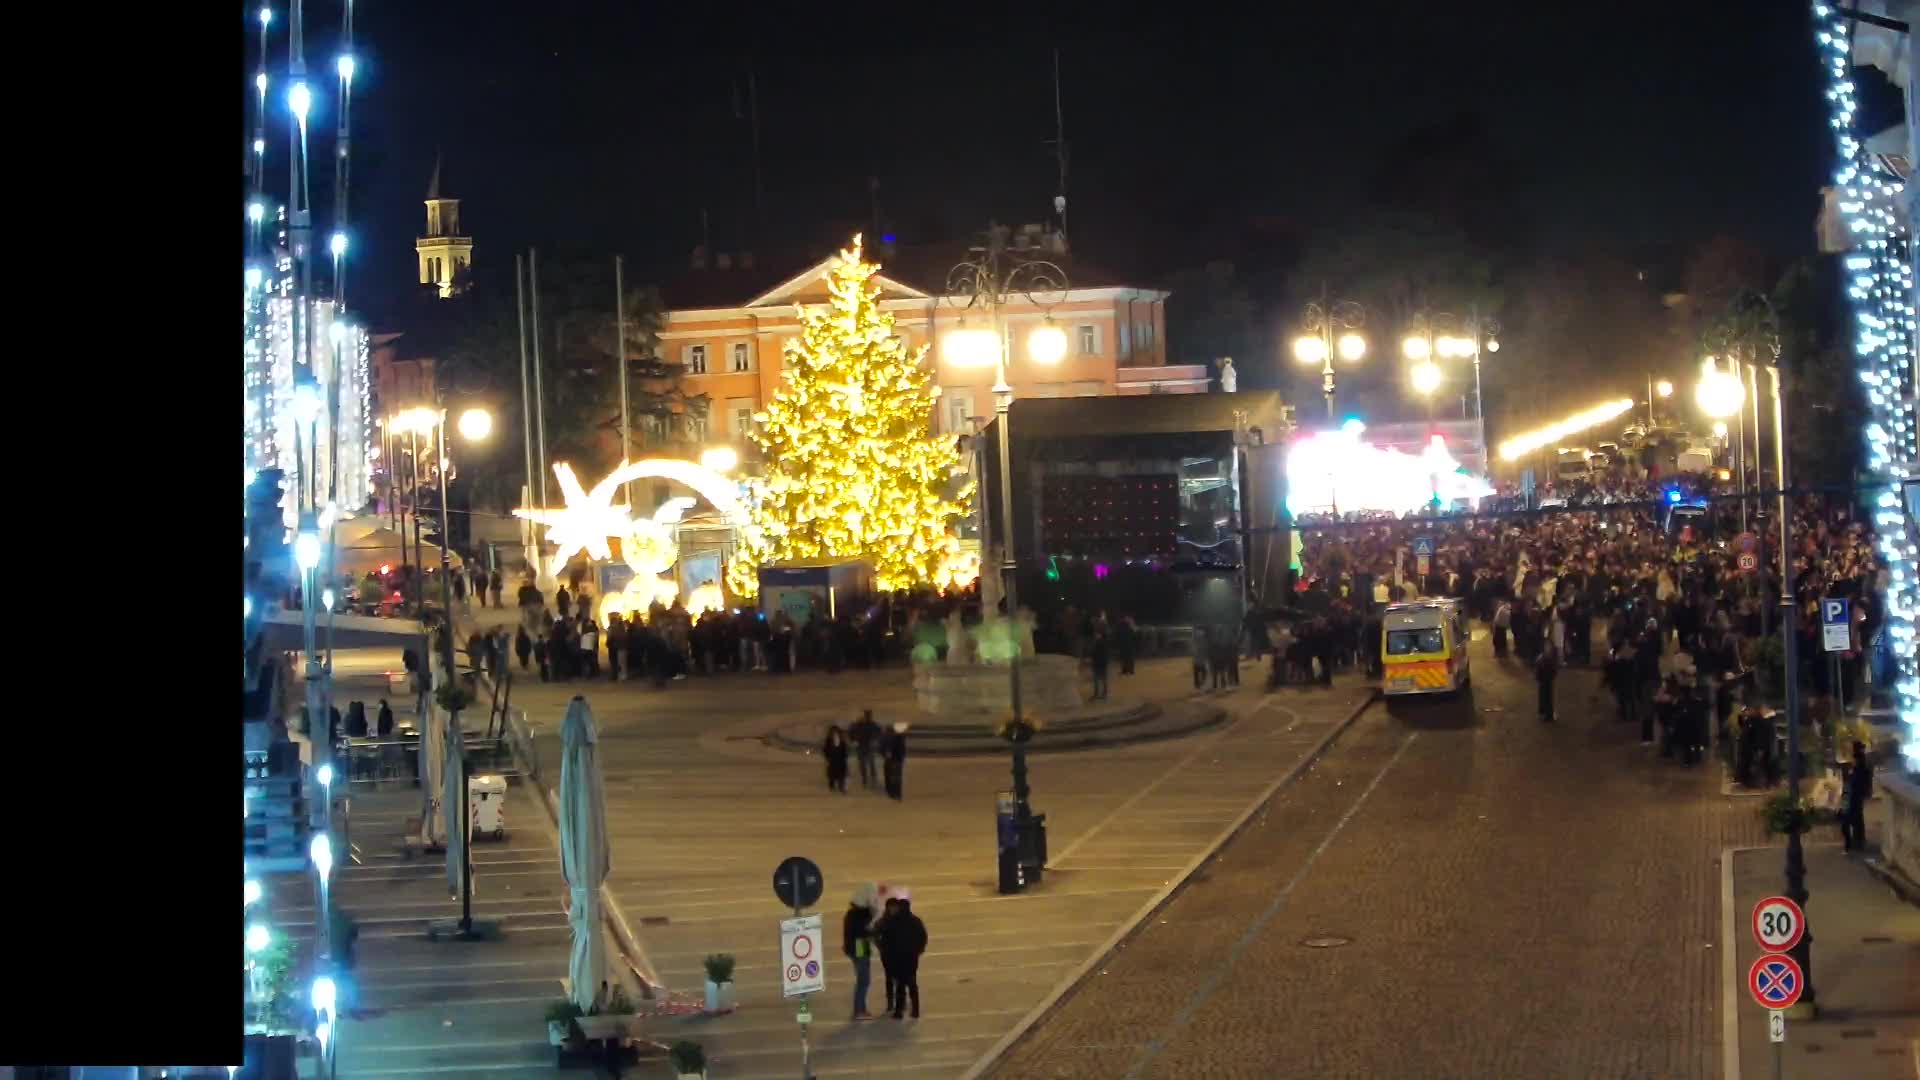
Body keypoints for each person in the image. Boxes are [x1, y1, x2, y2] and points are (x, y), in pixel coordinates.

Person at [878, 896, 927, 1019]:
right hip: (911, 959)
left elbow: (886, 940)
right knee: (912, 984)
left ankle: (898, 1012)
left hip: (898, 959)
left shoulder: (894, 922)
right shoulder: (916, 921)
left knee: (900, 986)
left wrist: (886, 953)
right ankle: (915, 1010)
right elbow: (923, 937)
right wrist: (919, 950)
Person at [843, 883, 878, 1020]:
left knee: (863, 979)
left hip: (855, 947)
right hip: (860, 947)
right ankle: (859, 1010)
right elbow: (865, 933)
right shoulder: (861, 915)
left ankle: (861, 1009)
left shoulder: (852, 913)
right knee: (864, 979)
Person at [1840, 741, 1873, 853]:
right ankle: (1855, 842)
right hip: (1852, 799)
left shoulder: (1859, 770)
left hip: (1852, 799)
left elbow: (1853, 786)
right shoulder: (1859, 768)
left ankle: (1851, 845)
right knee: (1856, 821)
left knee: (1848, 822)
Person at [850, 709, 881, 789]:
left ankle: (870, 780)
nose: (868, 717)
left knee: (869, 763)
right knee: (866, 764)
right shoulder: (861, 724)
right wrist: (853, 739)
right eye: (867, 715)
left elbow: (879, 733)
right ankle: (867, 780)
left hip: (866, 746)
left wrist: (875, 740)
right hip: (863, 746)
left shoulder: (870, 724)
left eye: (868, 715)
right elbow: (852, 732)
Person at [1534, 628, 1560, 723]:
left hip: (1544, 673)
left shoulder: (1546, 642)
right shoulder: (1548, 645)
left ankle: (1543, 712)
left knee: (1543, 693)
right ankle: (1547, 714)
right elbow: (1549, 658)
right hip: (1546, 673)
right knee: (1547, 694)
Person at [883, 723, 907, 800]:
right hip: (897, 759)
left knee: (892, 777)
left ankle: (893, 792)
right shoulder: (899, 738)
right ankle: (897, 793)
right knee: (897, 777)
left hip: (892, 760)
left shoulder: (888, 738)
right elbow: (903, 750)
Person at [823, 725, 850, 793]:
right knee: (833, 773)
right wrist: (828, 756)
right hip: (833, 759)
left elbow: (845, 749)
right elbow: (826, 749)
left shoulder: (841, 740)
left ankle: (841, 786)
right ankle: (833, 785)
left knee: (841, 774)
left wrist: (845, 756)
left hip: (840, 760)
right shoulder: (829, 740)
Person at [1088, 626, 1111, 702]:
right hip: (1102, 662)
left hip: (1099, 663)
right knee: (1102, 679)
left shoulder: (1099, 642)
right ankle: (1103, 694)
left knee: (1098, 679)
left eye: (1096, 634)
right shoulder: (1104, 641)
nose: (1095, 635)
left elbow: (1095, 653)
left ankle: (1099, 694)